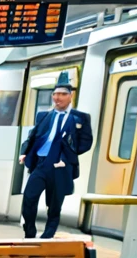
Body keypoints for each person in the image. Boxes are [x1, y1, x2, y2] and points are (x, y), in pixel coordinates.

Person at [19, 79, 92, 238]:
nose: (58, 98)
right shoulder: (44, 115)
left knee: (54, 205)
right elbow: (33, 136)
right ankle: (29, 232)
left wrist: (67, 156)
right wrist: (25, 152)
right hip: (41, 164)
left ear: (71, 96)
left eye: (63, 94)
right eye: (55, 94)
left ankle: (47, 235)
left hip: (61, 166)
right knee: (29, 198)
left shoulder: (81, 118)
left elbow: (86, 142)